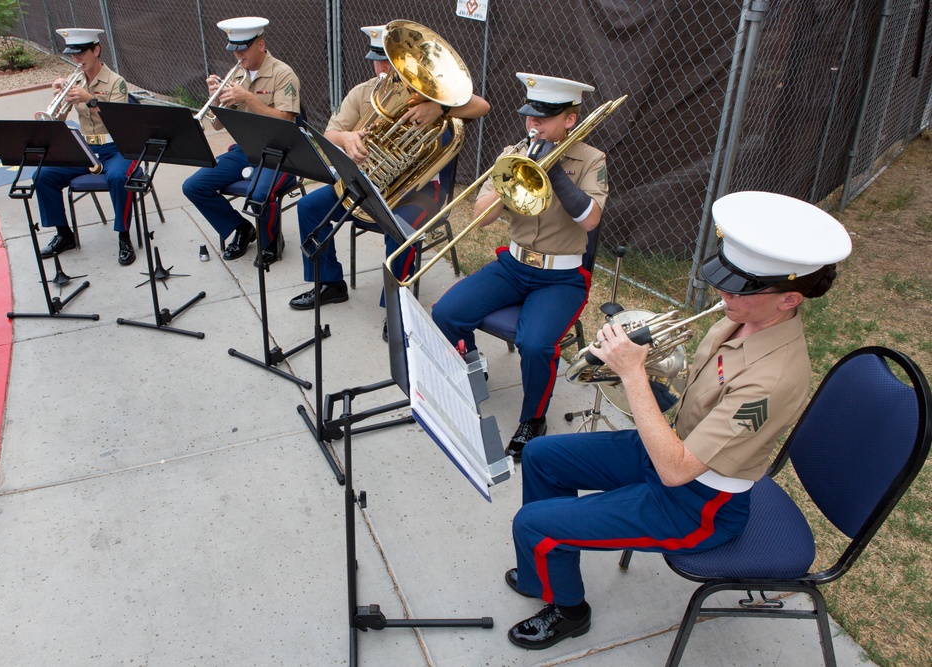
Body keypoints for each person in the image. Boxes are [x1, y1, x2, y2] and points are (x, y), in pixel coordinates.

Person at [502, 191, 852, 650]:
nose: (723, 294)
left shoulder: (773, 379)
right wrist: (640, 362)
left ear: (789, 299)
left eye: (740, 289)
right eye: (725, 281)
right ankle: (544, 570)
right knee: (542, 455)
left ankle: (569, 610)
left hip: (699, 503)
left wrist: (632, 373)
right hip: (674, 448)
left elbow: (676, 470)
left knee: (533, 523)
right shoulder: (739, 319)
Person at [431, 73, 607, 456]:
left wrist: (553, 172)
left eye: (545, 117)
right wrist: (511, 180)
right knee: (446, 312)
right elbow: (481, 218)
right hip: (513, 265)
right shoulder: (513, 153)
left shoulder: (591, 159)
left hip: (561, 277)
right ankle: (472, 366)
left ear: (570, 119)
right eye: (530, 115)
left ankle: (533, 419)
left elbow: (591, 219)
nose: (533, 123)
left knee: (535, 344)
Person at [288, 23, 490, 331]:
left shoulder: (436, 95)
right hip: (371, 182)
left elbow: (482, 106)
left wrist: (439, 108)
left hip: (420, 190)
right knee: (308, 207)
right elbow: (330, 134)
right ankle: (330, 283)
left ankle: (397, 307)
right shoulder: (363, 92)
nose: (383, 70)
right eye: (378, 61)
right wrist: (348, 139)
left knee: (400, 229)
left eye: (390, 63)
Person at [182, 17, 300, 266]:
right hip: (246, 150)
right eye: (233, 49)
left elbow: (286, 120)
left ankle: (271, 241)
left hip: (278, 153)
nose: (237, 54)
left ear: (260, 45)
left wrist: (248, 98)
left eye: (243, 48)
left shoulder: (283, 74)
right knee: (194, 186)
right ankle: (241, 228)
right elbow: (217, 125)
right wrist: (215, 100)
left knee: (258, 193)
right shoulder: (235, 74)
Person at [36, 28, 136, 265]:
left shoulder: (116, 82)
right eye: (73, 54)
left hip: (116, 148)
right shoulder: (77, 81)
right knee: (44, 175)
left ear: (96, 50)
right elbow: (58, 122)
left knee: (118, 177)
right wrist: (59, 99)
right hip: (86, 148)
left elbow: (119, 121)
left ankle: (124, 236)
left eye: (81, 52)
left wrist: (89, 100)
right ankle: (64, 234)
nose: (77, 58)